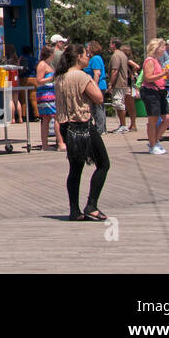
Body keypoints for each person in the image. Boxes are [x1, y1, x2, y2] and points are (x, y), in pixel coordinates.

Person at [53, 43, 111, 222]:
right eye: (85, 54)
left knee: (75, 169)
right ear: (78, 56)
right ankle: (91, 205)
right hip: (83, 124)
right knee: (103, 163)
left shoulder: (59, 77)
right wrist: (93, 82)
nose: (88, 57)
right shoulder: (81, 76)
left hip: (66, 126)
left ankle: (74, 210)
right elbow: (99, 98)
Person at [140, 38, 169, 154]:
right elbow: (147, 77)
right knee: (153, 119)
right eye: (162, 47)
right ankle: (153, 145)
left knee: (168, 117)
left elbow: (157, 76)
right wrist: (163, 74)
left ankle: (154, 140)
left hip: (160, 91)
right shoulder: (149, 61)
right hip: (150, 92)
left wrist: (165, 76)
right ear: (156, 48)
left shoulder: (157, 61)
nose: (164, 50)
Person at [36, 44, 64, 152]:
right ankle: (60, 143)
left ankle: (45, 144)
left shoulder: (47, 64)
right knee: (55, 117)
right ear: (50, 54)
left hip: (50, 93)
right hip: (46, 94)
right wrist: (51, 78)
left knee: (47, 118)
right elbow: (39, 80)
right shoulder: (42, 64)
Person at [107, 38, 131, 133]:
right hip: (122, 83)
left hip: (119, 83)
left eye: (110, 43)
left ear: (113, 45)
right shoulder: (122, 54)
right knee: (119, 104)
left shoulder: (116, 55)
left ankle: (123, 125)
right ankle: (122, 124)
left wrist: (110, 83)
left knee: (119, 104)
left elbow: (115, 70)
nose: (109, 45)